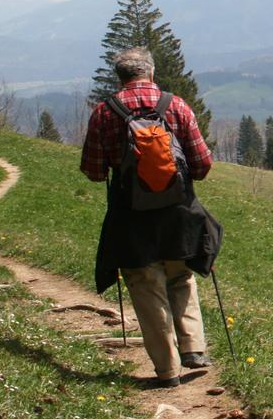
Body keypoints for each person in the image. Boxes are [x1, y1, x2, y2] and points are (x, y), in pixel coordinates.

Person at [81, 46, 215, 387]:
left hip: (131, 219)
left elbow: (94, 171)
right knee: (180, 277)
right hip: (178, 215)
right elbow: (201, 165)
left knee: (145, 284)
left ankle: (168, 370)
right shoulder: (177, 106)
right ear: (151, 73)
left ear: (120, 77)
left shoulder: (104, 113)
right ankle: (194, 349)